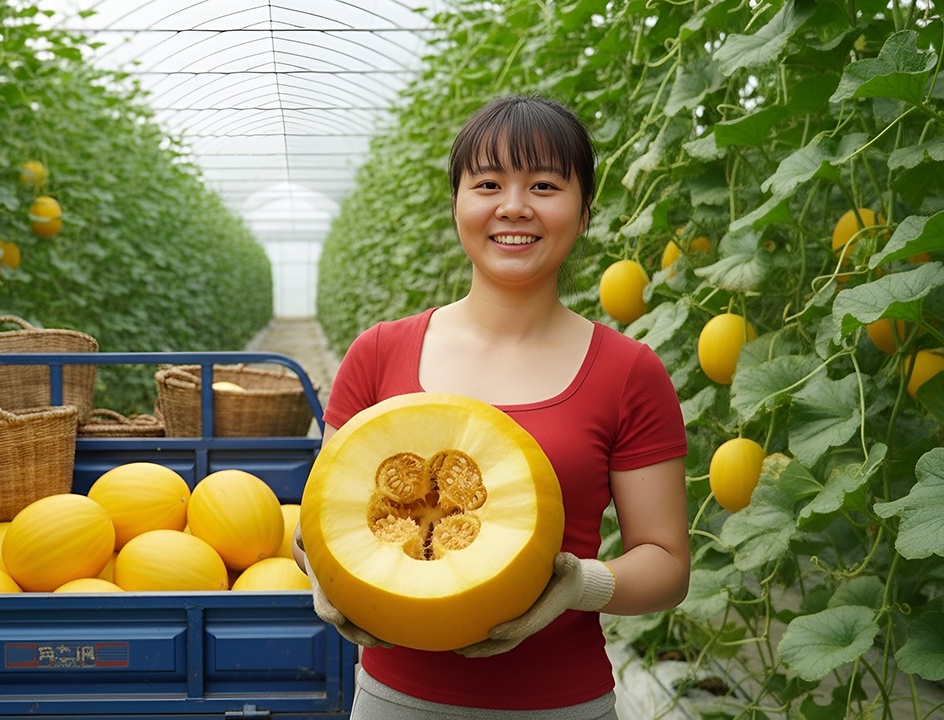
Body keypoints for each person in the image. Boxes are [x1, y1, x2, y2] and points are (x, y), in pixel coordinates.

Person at [296, 94, 690, 718]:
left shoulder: (628, 372)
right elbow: (331, 516)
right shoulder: (377, 352)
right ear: (456, 202)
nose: (513, 206)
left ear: (584, 211)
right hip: (395, 701)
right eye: (486, 183)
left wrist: (579, 585)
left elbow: (667, 565)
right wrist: (322, 569)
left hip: (564, 704)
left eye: (543, 184)